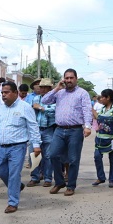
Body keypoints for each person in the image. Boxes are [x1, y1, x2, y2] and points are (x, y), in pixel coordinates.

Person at [0, 81, 41, 213]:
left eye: (6, 92)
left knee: (14, 174)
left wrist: (37, 145)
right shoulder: (0, 108)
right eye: (2, 93)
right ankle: (17, 186)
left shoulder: (25, 107)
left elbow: (33, 126)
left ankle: (13, 202)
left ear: (15, 93)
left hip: (18, 147)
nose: (4, 95)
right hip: (2, 147)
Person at [41, 68, 93, 196]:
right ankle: (59, 182)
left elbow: (87, 110)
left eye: (71, 78)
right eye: (67, 78)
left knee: (73, 160)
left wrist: (87, 126)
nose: (69, 80)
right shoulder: (59, 93)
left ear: (76, 78)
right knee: (52, 154)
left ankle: (71, 185)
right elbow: (44, 100)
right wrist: (56, 88)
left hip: (75, 130)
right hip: (59, 129)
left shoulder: (82, 93)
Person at [91, 89, 113, 188]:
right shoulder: (102, 109)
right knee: (97, 156)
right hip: (100, 139)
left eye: (102, 97)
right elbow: (99, 118)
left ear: (108, 98)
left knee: (112, 159)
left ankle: (112, 180)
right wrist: (91, 110)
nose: (101, 99)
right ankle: (101, 177)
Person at [27, 78, 55, 187]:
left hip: (48, 129)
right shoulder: (35, 98)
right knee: (33, 154)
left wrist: (41, 108)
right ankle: (35, 177)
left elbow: (53, 112)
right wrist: (40, 108)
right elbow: (29, 109)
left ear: (50, 89)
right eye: (41, 87)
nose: (42, 89)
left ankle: (48, 178)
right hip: (35, 130)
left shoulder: (54, 99)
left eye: (45, 87)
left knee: (48, 156)